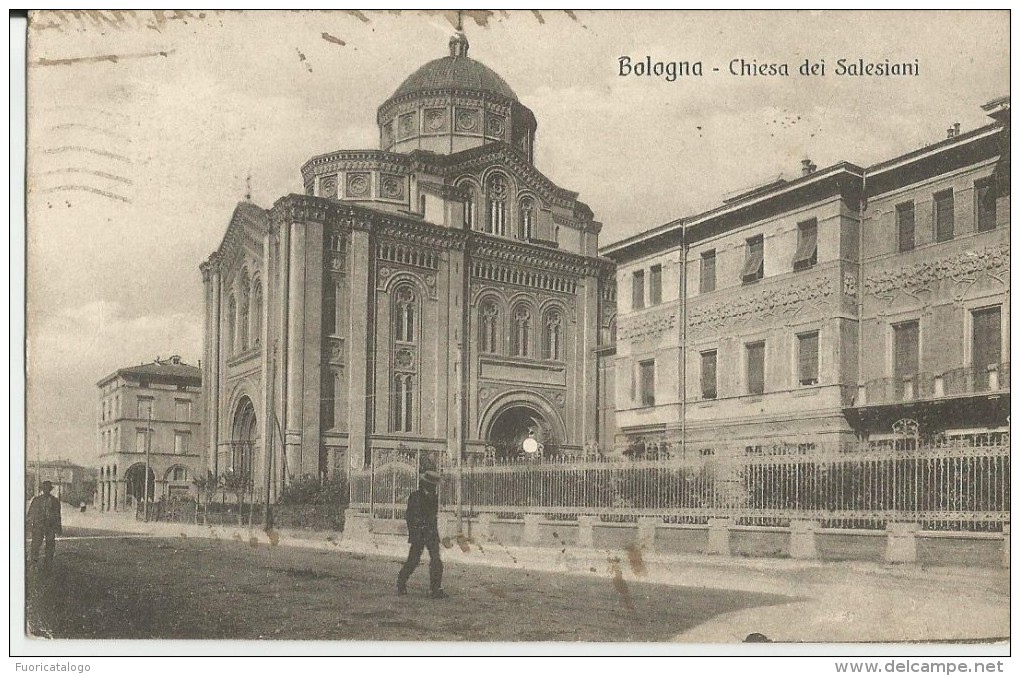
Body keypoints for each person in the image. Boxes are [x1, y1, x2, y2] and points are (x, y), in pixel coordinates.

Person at [396, 470, 447, 598]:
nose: (434, 487)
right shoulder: (415, 496)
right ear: (425, 484)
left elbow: (433, 517)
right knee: (413, 560)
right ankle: (401, 583)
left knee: (436, 561)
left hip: (431, 534)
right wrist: (414, 533)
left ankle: (435, 589)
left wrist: (434, 534)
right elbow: (410, 517)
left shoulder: (434, 497)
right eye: (431, 484)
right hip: (419, 534)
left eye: (434, 484)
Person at [27, 481, 62, 570]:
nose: (46, 490)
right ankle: (34, 563)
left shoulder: (55, 501)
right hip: (38, 525)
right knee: (36, 544)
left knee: (50, 544)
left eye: (48, 488)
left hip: (50, 525)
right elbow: (30, 513)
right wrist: (29, 524)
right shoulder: (36, 500)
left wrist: (58, 527)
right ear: (43, 489)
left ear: (50, 490)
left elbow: (57, 515)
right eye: (45, 488)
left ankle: (48, 563)